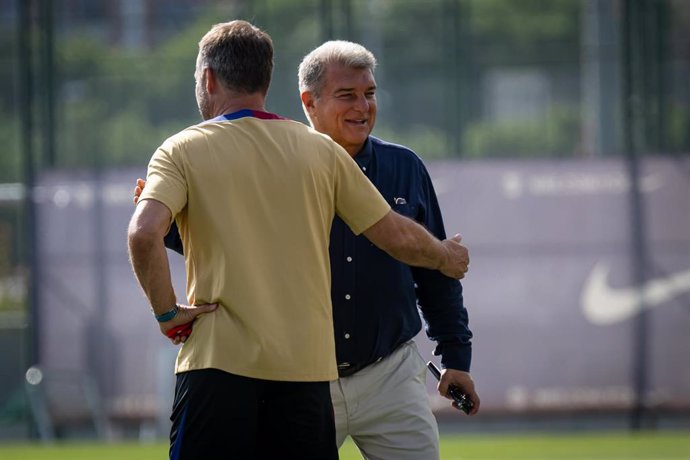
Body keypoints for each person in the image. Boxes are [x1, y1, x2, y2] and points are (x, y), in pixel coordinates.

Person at [127, 21, 470, 460]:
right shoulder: (319, 151)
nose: (363, 106)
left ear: (208, 79)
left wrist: (169, 313)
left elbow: (142, 234)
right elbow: (397, 235)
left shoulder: (181, 149)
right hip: (305, 376)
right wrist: (445, 255)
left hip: (217, 367)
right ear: (268, 79)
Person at [297, 40, 480, 460]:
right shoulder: (281, 168)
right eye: (347, 95)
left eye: (370, 93)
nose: (363, 106)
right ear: (310, 102)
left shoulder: (405, 166)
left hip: (390, 375)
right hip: (302, 381)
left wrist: (455, 357)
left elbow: (436, 270)